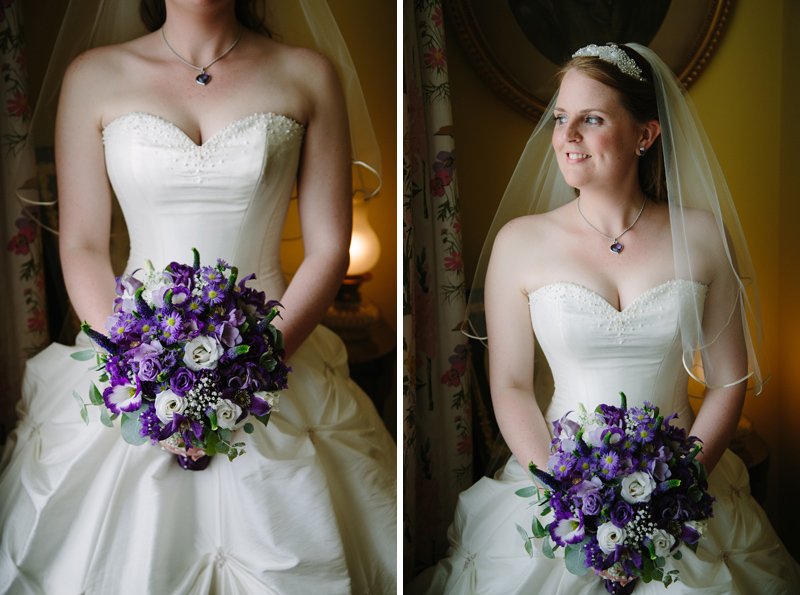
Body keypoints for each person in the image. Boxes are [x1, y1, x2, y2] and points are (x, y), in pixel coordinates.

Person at [0, 1, 396, 593]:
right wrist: (137, 363)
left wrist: (254, 365)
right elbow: (82, 244)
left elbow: (328, 250)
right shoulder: (93, 75)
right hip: (131, 354)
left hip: (277, 351)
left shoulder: (306, 73)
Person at [410, 43, 800, 594]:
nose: (567, 137)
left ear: (645, 134)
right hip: (558, 486)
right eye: (561, 118)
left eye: (590, 119)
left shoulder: (704, 236)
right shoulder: (519, 243)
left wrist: (675, 492)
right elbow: (513, 386)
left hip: (682, 487)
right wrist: (566, 500)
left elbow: (727, 382)